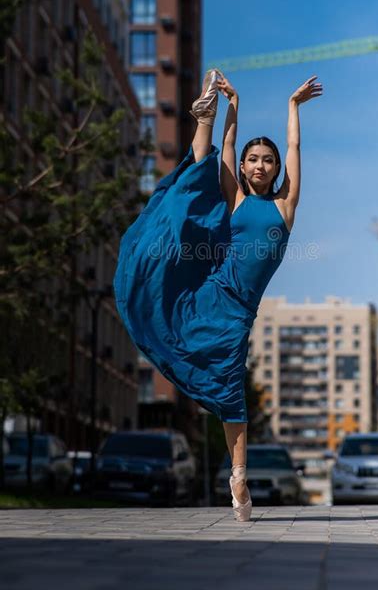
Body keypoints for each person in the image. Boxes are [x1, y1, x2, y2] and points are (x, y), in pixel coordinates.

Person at [113, 69, 323, 521]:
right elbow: (227, 150)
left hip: (238, 313)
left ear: (276, 169)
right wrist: (234, 107)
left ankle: (238, 476)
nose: (261, 164)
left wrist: (292, 106)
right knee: (168, 313)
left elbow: (296, 149)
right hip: (211, 293)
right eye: (254, 159)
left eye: (268, 159)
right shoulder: (237, 201)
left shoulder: (285, 208)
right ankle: (203, 117)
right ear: (245, 168)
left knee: (231, 389)